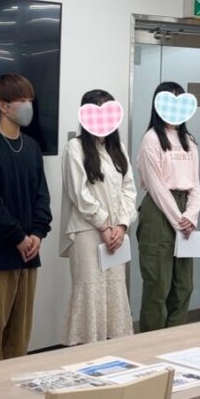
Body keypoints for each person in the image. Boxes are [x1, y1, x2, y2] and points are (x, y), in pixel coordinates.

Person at [0, 73, 52, 362]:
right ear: (3, 106)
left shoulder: (32, 147)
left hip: (28, 253)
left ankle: (15, 383)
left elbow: (42, 195)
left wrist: (37, 233)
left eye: (30, 100)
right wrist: (18, 236)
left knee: (20, 333)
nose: (29, 106)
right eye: (22, 100)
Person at [60, 89, 137, 346]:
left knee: (115, 288)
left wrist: (122, 225)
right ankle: (87, 349)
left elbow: (129, 189)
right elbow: (79, 194)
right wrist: (104, 225)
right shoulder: (75, 148)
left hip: (116, 232)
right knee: (90, 290)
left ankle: (115, 348)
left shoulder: (118, 149)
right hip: (86, 231)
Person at [136, 81, 200, 332]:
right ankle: (153, 345)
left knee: (184, 285)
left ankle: (175, 340)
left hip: (184, 211)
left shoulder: (189, 140)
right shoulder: (151, 139)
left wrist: (191, 215)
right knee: (158, 286)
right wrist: (178, 220)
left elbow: (195, 182)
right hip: (159, 211)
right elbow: (156, 186)